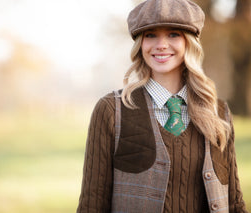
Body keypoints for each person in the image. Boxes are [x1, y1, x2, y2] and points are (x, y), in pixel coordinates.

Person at [76, 0, 248, 212]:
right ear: (140, 43)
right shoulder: (112, 110)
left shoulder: (218, 112)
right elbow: (92, 204)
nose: (161, 45)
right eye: (150, 35)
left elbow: (234, 202)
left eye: (173, 34)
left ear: (189, 42)